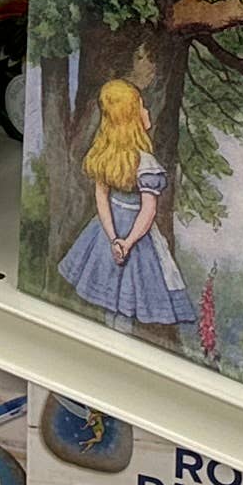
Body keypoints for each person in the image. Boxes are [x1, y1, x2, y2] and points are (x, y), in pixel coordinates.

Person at [55, 74, 192, 337]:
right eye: (142, 106)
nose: (147, 111)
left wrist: (114, 239)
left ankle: (112, 337)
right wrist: (125, 243)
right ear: (130, 118)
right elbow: (148, 210)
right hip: (135, 238)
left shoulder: (106, 156)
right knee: (124, 298)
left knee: (115, 298)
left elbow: (102, 199)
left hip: (110, 233)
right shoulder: (145, 162)